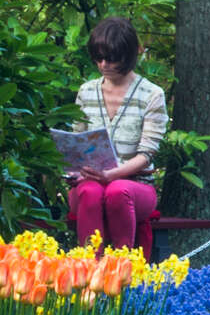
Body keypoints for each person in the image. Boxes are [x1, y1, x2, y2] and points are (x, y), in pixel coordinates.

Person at [69, 15, 165, 252]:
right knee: (91, 192)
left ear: (128, 55)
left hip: (135, 185)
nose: (103, 65)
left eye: (111, 59)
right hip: (88, 184)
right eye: (98, 58)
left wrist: (111, 175)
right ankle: (90, 272)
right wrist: (75, 171)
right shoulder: (86, 92)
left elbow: (146, 154)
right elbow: (75, 144)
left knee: (117, 191)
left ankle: (123, 270)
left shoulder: (151, 94)